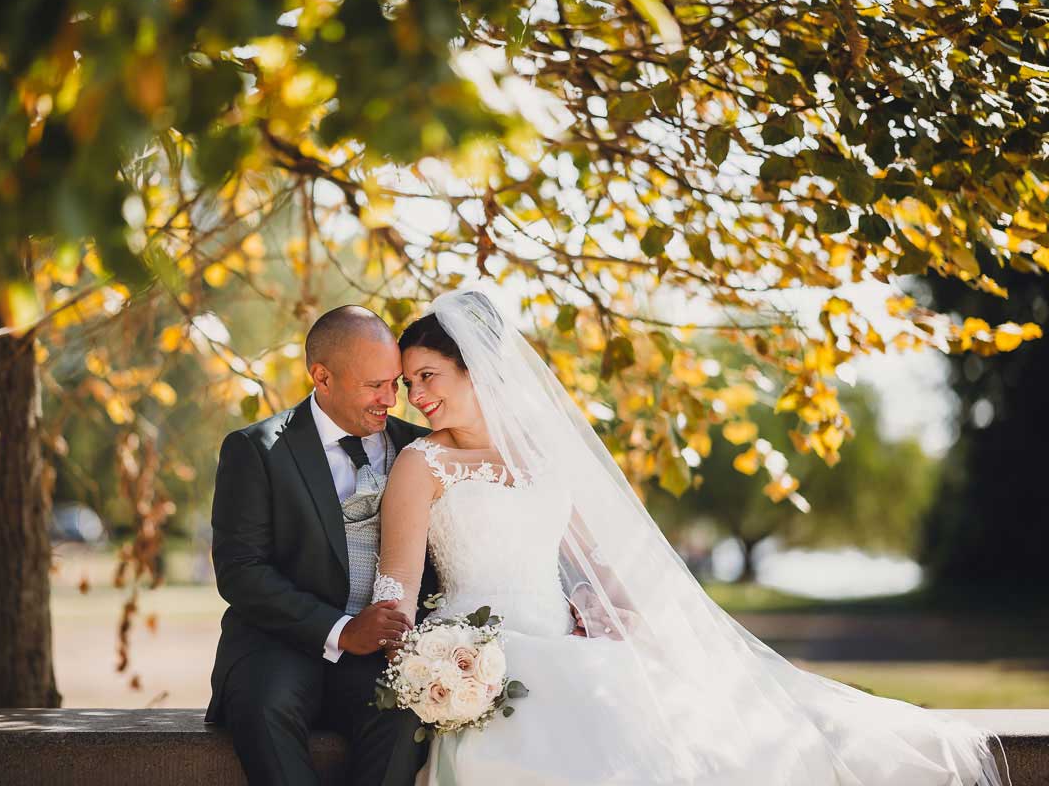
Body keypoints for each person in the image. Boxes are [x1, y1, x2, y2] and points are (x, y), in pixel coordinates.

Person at [371, 288, 1008, 785]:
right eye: (409, 383)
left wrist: (622, 617)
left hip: (570, 645)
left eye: (429, 376)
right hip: (474, 662)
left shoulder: (547, 460)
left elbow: (596, 562)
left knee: (704, 747)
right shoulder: (421, 465)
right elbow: (395, 591)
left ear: (478, 369)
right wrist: (429, 671)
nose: (416, 396)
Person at [206, 306, 437, 786]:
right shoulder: (256, 450)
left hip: (382, 660)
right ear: (322, 377)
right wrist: (341, 629)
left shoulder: (425, 448)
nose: (391, 399)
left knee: (406, 718)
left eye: (395, 383)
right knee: (262, 708)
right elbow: (241, 571)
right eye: (375, 385)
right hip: (279, 646)